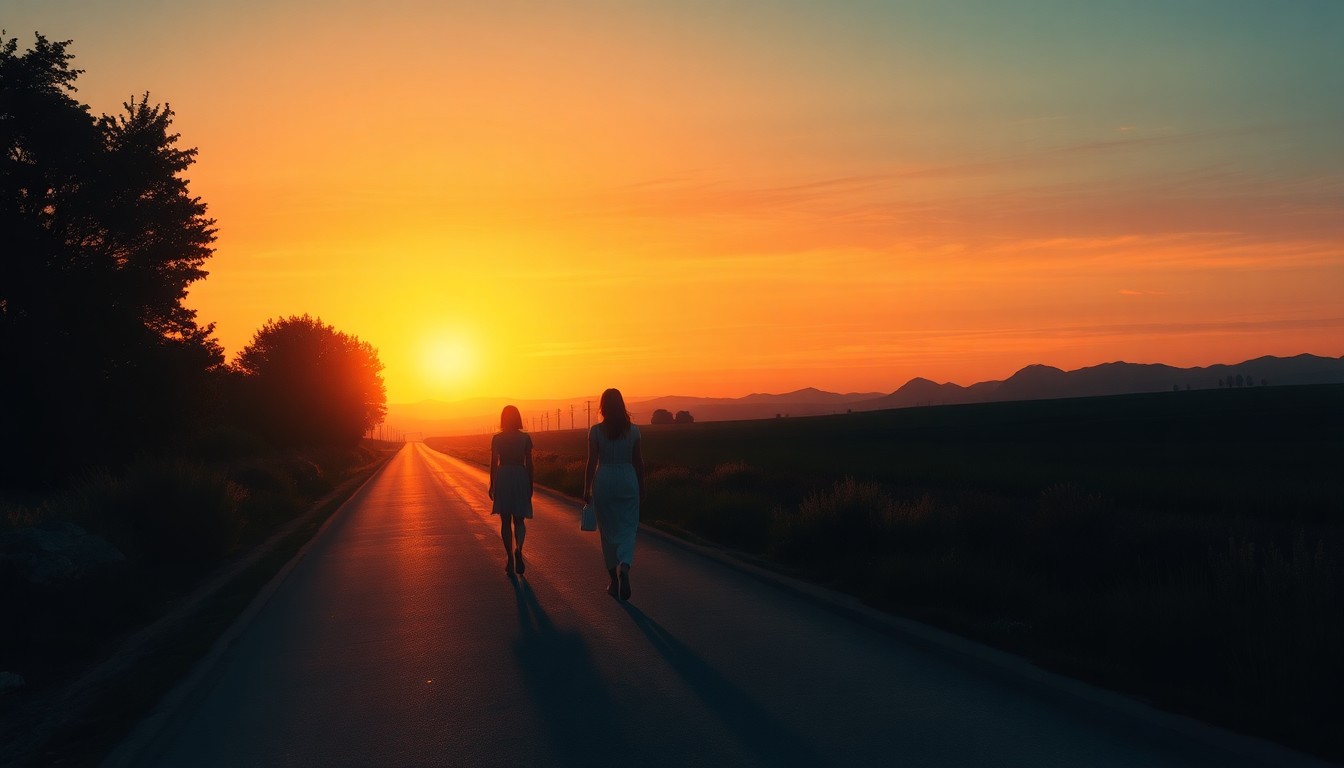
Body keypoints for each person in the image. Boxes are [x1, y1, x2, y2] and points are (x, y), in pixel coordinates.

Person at [583, 388, 645, 600]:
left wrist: (586, 488)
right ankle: (625, 566)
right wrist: (642, 487)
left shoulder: (596, 431)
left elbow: (591, 462)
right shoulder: (634, 431)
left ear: (603, 406)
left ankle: (613, 580)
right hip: (628, 480)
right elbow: (639, 462)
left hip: (605, 480)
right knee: (629, 528)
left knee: (607, 532)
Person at [489, 405, 533, 576]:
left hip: (504, 475)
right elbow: (530, 463)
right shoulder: (525, 438)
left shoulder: (497, 439)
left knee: (505, 521)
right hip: (520, 475)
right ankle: (519, 549)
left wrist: (492, 484)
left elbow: (494, 463)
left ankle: (509, 556)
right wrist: (530, 483)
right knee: (519, 520)